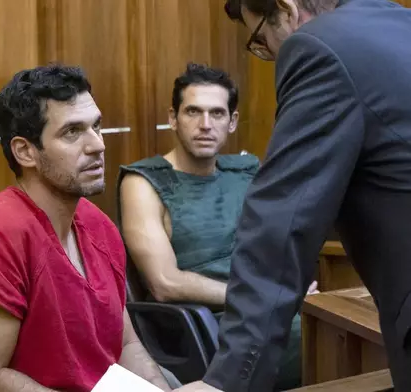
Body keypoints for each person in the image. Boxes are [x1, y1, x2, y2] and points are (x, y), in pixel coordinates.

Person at [177, 0, 411, 391]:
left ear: (286, 9)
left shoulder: (319, 47)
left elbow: (282, 225)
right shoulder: (396, 19)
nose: (267, 55)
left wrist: (228, 381)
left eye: (261, 41)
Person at [0, 64, 173, 392]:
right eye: (72, 132)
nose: (97, 145)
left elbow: (126, 347)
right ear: (26, 152)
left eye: (96, 126)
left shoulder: (98, 224)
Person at [118, 63, 317, 390]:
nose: (205, 125)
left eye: (217, 113)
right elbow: (165, 283)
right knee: (329, 343)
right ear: (173, 117)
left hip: (271, 305)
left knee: (345, 329)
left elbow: (282, 236)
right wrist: (263, 297)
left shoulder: (245, 171)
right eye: (193, 112)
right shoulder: (144, 181)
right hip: (214, 323)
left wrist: (291, 286)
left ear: (232, 121)